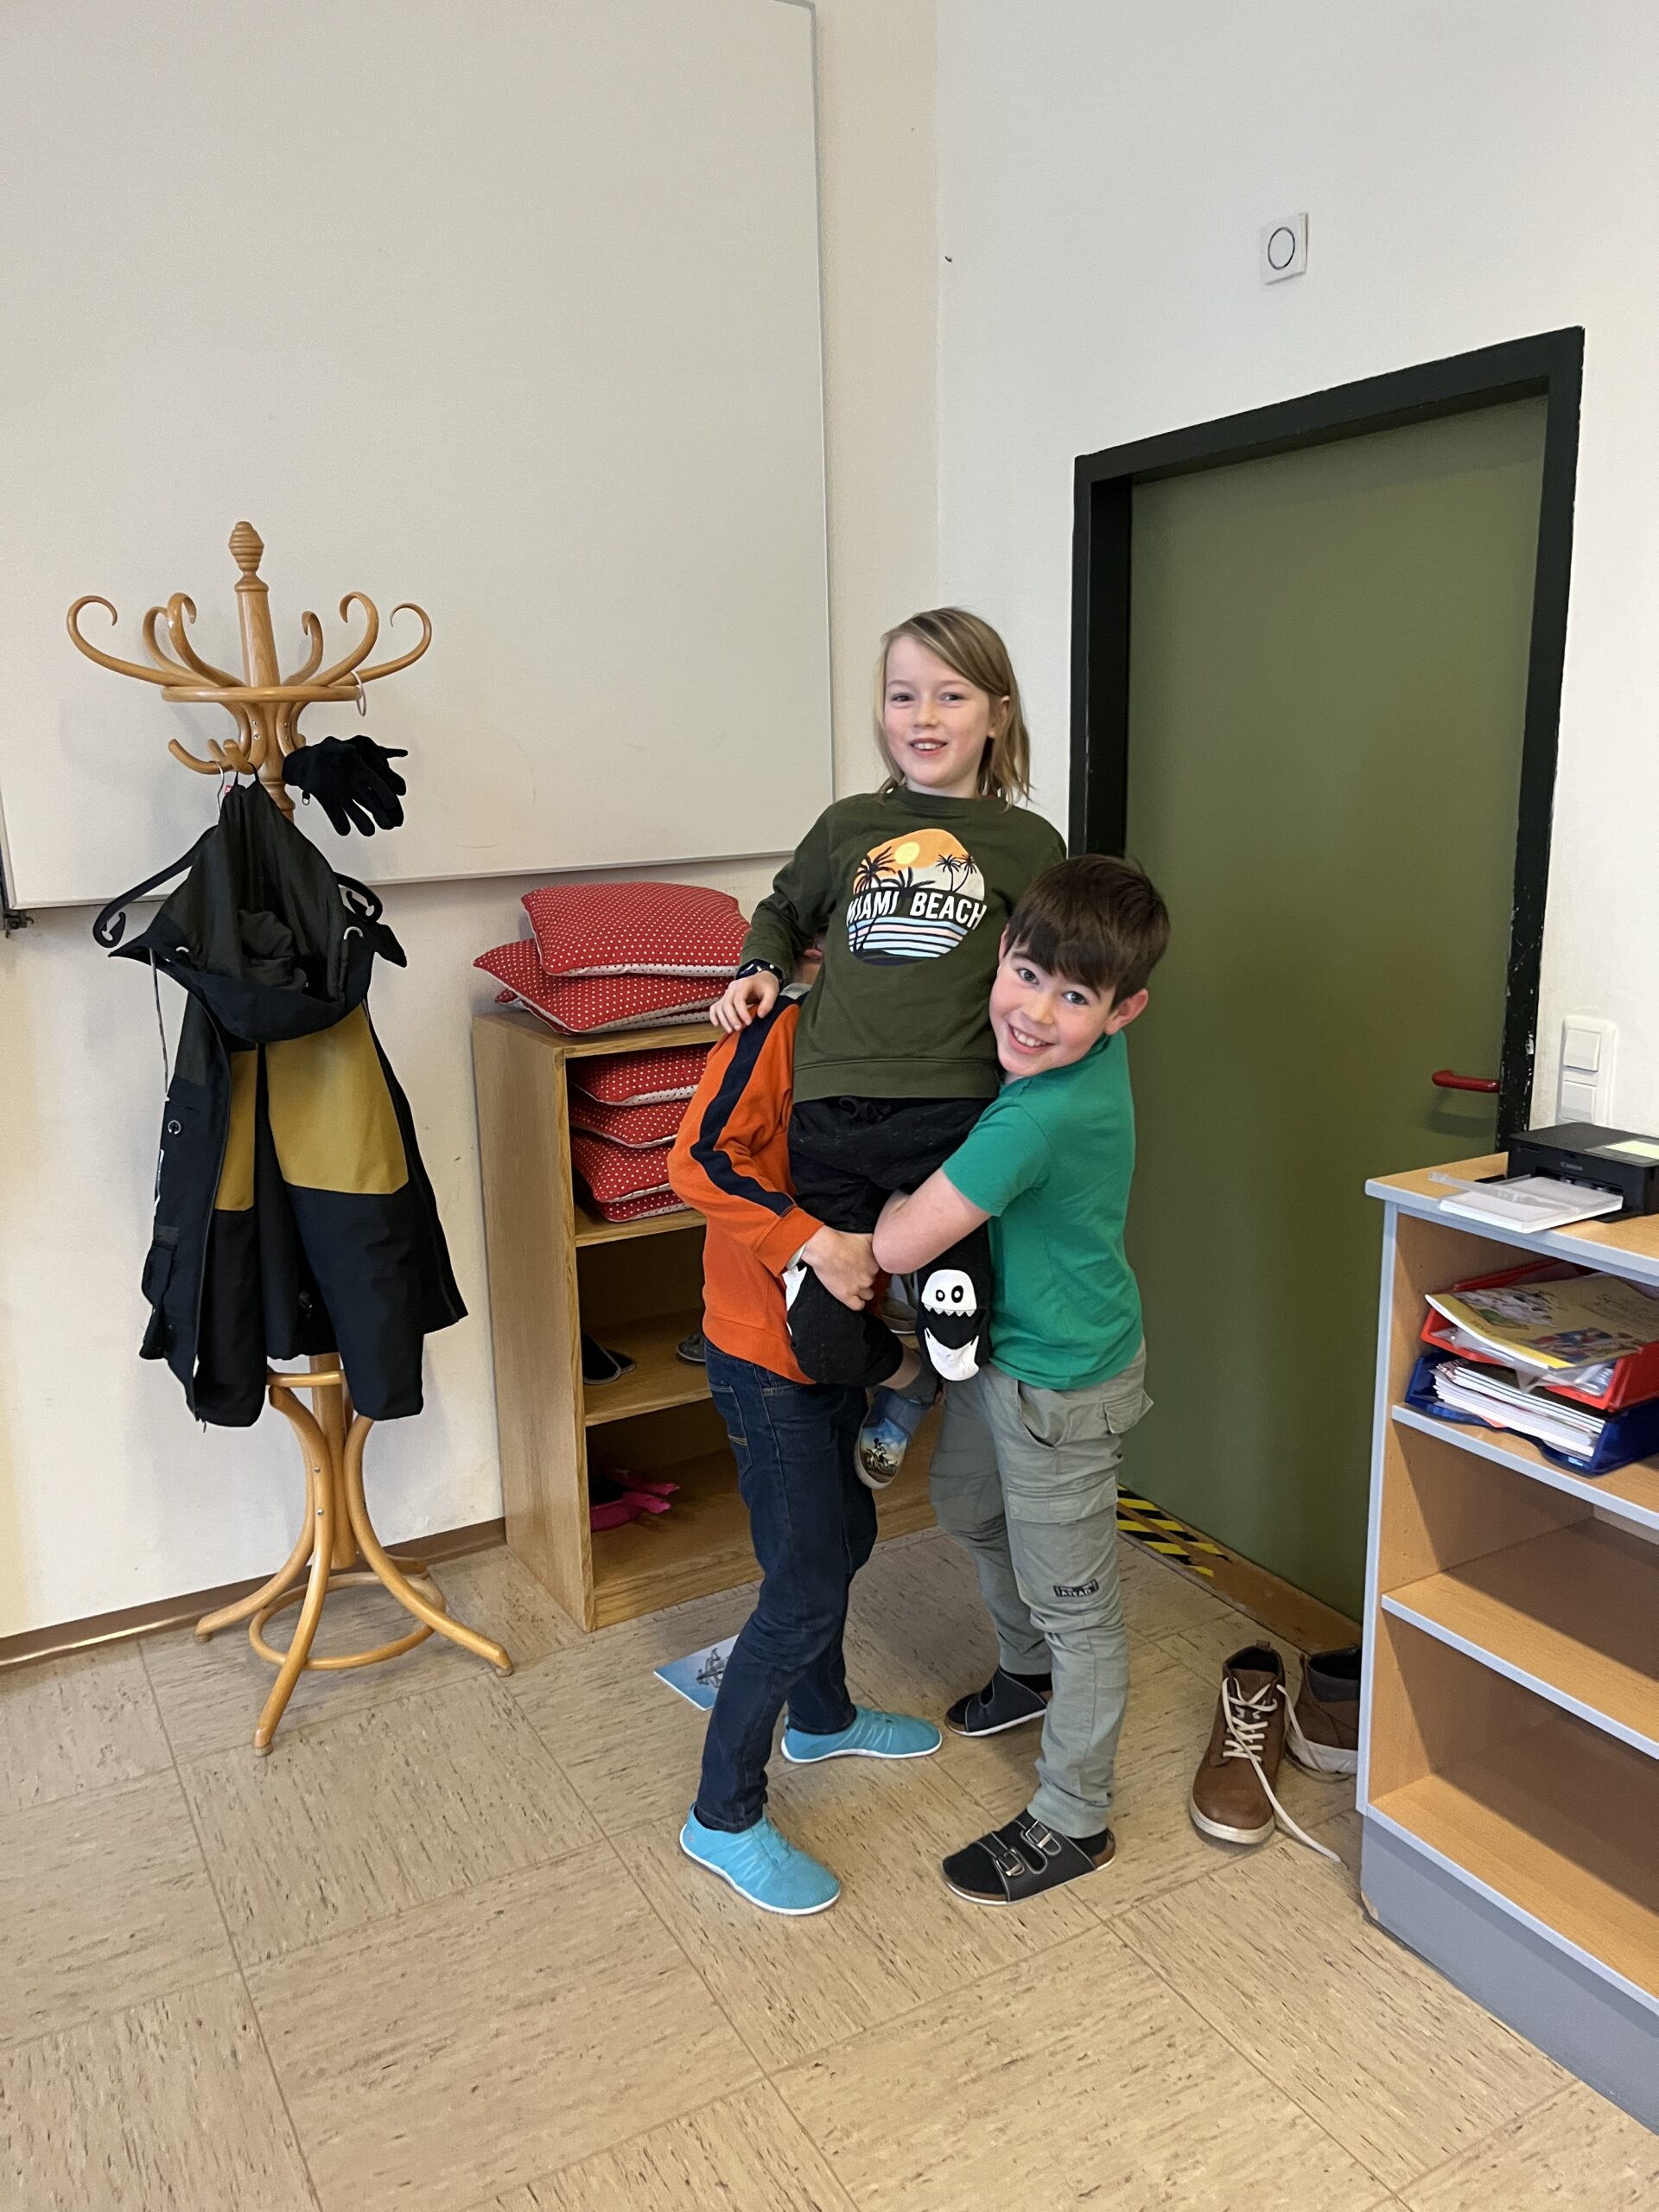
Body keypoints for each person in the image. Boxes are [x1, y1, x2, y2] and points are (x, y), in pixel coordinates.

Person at [872, 854, 1171, 1904]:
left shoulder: (1037, 1116)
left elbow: (900, 1243)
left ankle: (1074, 1819)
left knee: (1077, 1605)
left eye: (1075, 997)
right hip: (1006, 1351)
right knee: (964, 1503)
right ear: (1001, 953)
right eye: (1029, 975)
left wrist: (865, 1208)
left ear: (1124, 1012)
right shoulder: (1069, 1063)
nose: (1036, 1014)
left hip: (1064, 1386)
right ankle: (1027, 1669)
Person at [710, 607, 1065, 1484]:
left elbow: (1052, 970)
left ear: (999, 713)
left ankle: (937, 1374)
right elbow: (783, 909)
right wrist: (760, 966)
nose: (924, 718)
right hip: (831, 1115)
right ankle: (907, 1389)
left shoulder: (1029, 843)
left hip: (952, 1117)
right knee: (824, 1343)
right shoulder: (847, 825)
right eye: (903, 696)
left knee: (963, 1334)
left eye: (951, 696)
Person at [666, 978, 941, 1916]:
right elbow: (695, 1160)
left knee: (844, 1536)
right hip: (762, 1355)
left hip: (835, 1345)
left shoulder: (911, 1034)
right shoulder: (777, 1028)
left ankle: (821, 1719)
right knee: (803, 1587)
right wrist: (815, 1242)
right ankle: (722, 1815)